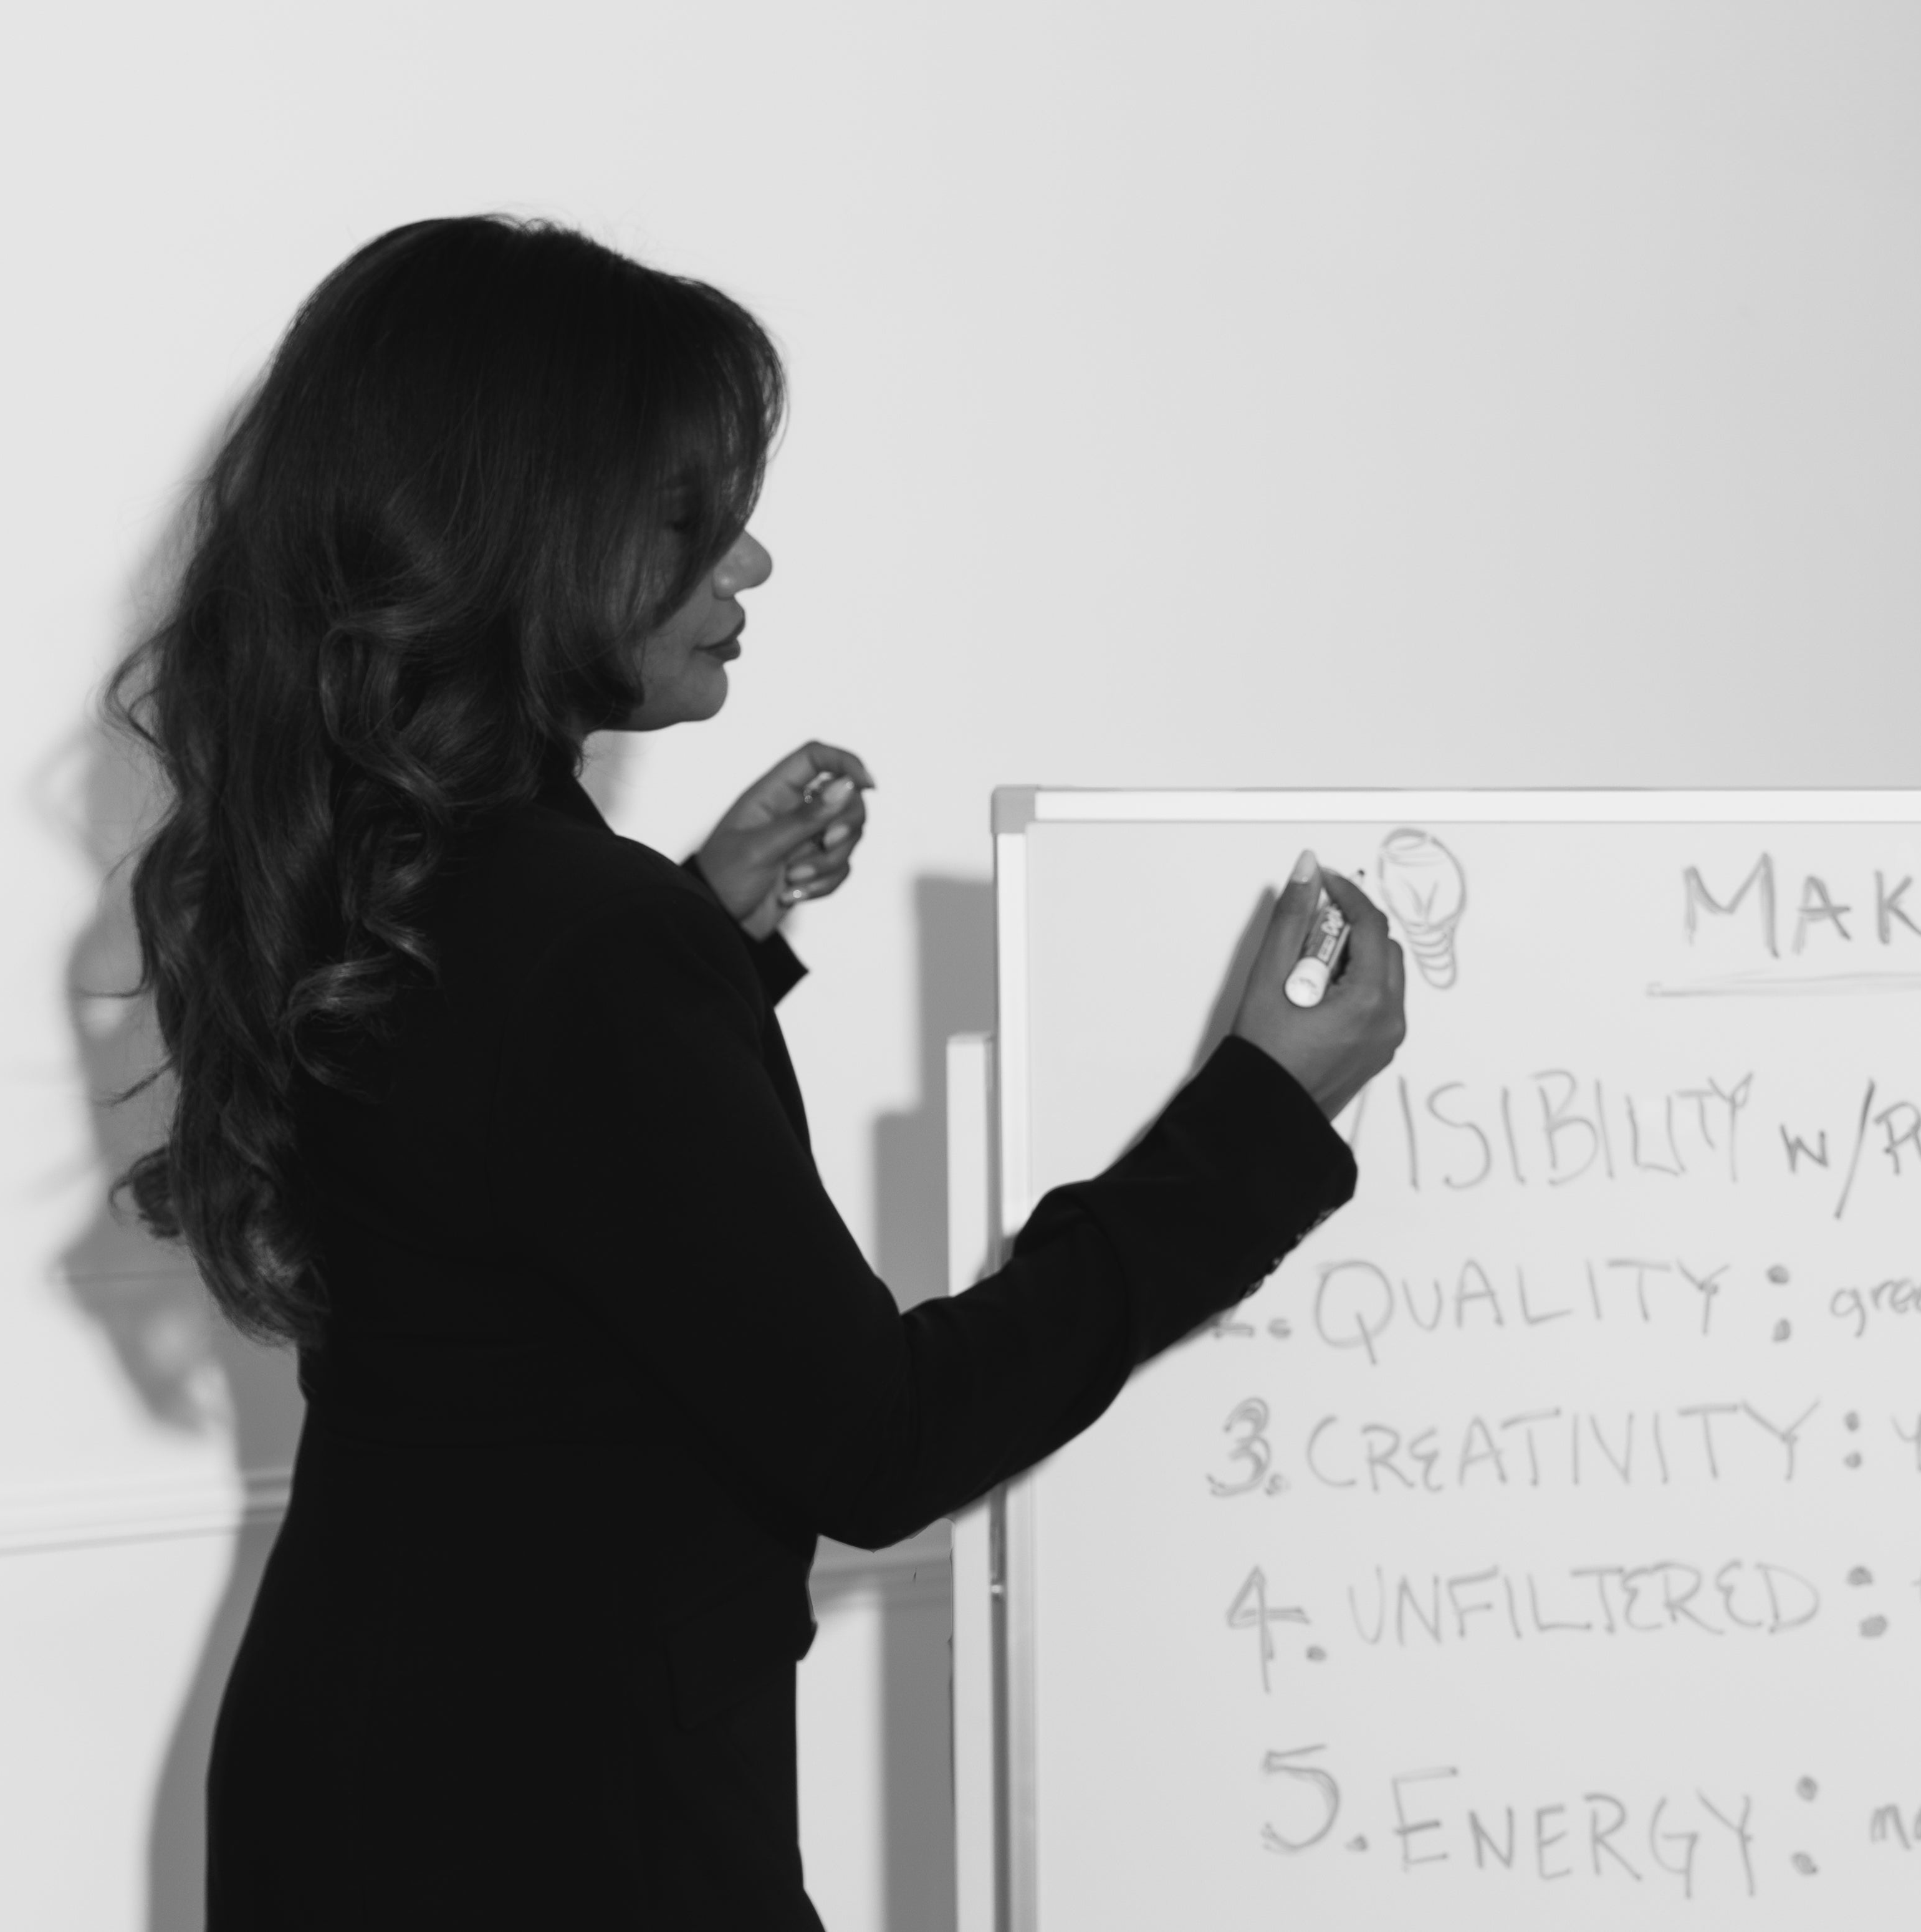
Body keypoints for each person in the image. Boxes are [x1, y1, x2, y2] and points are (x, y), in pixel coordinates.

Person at [98, 213, 1405, 1931]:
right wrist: (1260, 1115)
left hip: (350, 1790)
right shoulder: (581, 939)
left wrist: (705, 935)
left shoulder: (368, 869)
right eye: (686, 514)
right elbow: (883, 1440)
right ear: (526, 541)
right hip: (568, 1837)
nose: (754, 559)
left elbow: (506, 1201)